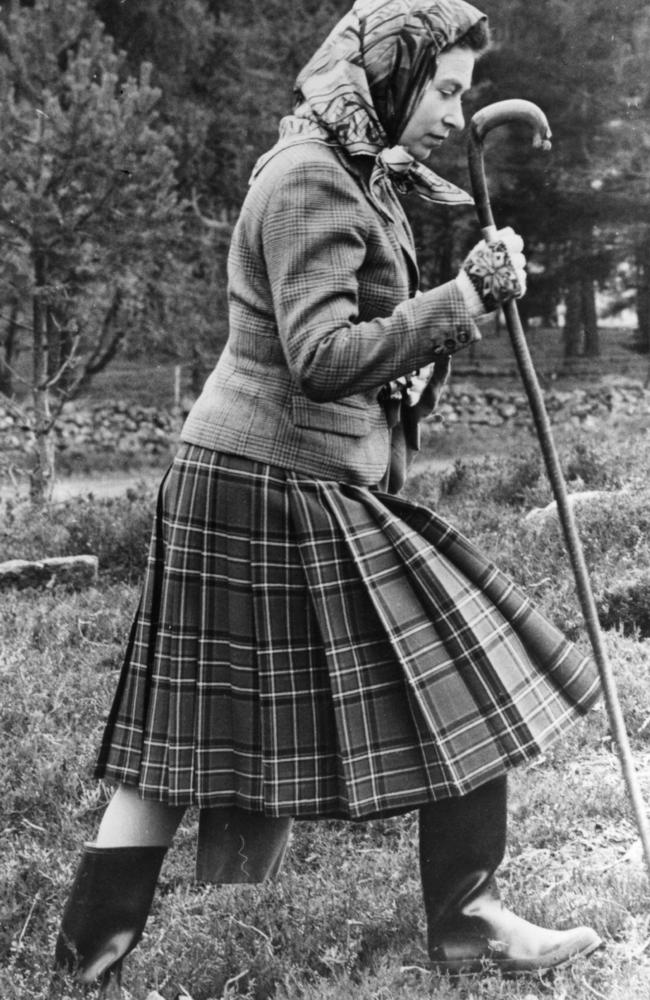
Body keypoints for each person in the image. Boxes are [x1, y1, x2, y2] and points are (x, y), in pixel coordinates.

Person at [53, 0, 603, 989]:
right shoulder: (310, 177)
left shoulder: (349, 169)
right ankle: (461, 919)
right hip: (268, 482)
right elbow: (317, 357)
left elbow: (372, 345)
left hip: (257, 477)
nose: (450, 111)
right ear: (388, 76)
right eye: (440, 87)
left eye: (461, 94)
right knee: (462, 659)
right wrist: (462, 298)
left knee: (208, 743)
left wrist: (450, 318)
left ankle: (139, 958)